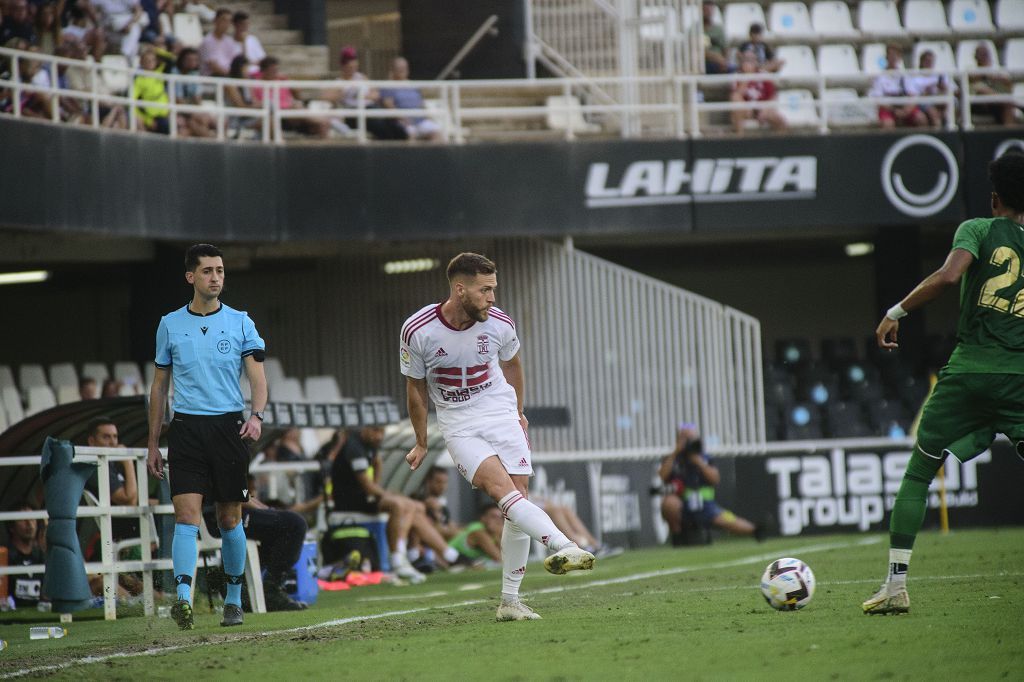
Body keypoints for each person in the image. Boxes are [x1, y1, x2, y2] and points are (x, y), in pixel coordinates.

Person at [863, 151, 1024, 615]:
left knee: (919, 470)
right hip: (1018, 378)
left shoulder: (977, 229)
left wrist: (896, 312)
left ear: (995, 197)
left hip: (969, 372)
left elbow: (950, 275)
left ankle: (895, 588)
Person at [401, 252, 595, 622]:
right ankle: (563, 544)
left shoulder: (500, 324)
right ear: (460, 289)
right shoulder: (418, 329)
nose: (492, 297)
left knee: (517, 498)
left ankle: (510, 601)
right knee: (500, 492)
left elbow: (513, 365)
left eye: (494, 289)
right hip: (458, 422)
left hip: (500, 410)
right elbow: (415, 389)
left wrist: (518, 413)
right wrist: (422, 440)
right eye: (484, 290)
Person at [147, 243, 269, 630]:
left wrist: (257, 415)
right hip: (185, 429)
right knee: (186, 516)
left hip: (227, 428)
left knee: (229, 518)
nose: (215, 277)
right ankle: (182, 601)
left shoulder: (240, 321)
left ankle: (233, 599)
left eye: (219, 271)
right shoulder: (169, 323)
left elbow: (257, 377)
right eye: (207, 271)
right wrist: (153, 442)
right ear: (190, 277)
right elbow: (159, 387)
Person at [330, 426, 462, 582]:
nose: (379, 436)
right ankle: (398, 558)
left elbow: (376, 467)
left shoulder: (370, 446)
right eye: (375, 431)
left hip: (365, 498)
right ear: (365, 428)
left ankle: (423, 555)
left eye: (382, 432)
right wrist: (387, 494)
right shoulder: (354, 447)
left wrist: (380, 481)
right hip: (349, 502)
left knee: (416, 506)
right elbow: (367, 486)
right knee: (399, 505)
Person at [658, 424, 764, 545]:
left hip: (705, 504)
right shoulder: (673, 459)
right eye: (685, 439)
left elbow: (715, 479)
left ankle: (755, 530)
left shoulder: (704, 458)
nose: (689, 442)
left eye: (691, 439)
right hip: (682, 503)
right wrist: (675, 452)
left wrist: (699, 462)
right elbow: (662, 475)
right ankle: (677, 537)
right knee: (669, 503)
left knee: (727, 520)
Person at [202, 491, 308, 612]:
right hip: (219, 516)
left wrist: (267, 510)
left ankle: (239, 584)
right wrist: (267, 510)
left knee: (282, 525)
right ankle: (270, 589)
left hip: (223, 512)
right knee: (294, 524)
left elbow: (243, 493)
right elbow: (236, 494)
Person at [330, 45, 406, 140]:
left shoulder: (362, 77)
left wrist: (362, 96)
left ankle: (403, 141)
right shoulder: (338, 82)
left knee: (391, 122)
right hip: (353, 113)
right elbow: (328, 97)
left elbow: (376, 94)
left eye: (354, 62)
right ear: (343, 65)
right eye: (348, 63)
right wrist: (346, 91)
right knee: (378, 124)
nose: (352, 66)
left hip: (370, 108)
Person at [252, 55, 329, 139]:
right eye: (273, 71)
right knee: (296, 110)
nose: (275, 73)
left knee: (322, 124)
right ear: (264, 71)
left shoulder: (282, 81)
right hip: (276, 114)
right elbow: (257, 103)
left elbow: (298, 96)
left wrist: (287, 81)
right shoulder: (256, 85)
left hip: (292, 112)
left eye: (276, 70)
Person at [379, 56, 441, 141]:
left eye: (404, 68)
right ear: (393, 69)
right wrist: (402, 118)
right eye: (399, 68)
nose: (402, 70)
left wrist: (427, 115)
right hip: (402, 122)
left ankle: (434, 154)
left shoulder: (413, 85)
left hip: (420, 120)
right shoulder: (388, 86)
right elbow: (389, 105)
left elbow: (421, 103)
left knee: (436, 132)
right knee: (411, 133)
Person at [869, 44, 927, 129]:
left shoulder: (905, 75)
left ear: (899, 58)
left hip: (904, 107)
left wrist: (906, 110)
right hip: (888, 108)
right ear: (886, 57)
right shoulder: (880, 77)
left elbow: (913, 95)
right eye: (891, 55)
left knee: (921, 118)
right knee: (888, 124)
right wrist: (894, 110)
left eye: (895, 55)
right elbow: (878, 99)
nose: (893, 57)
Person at [730, 50, 786, 135]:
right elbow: (736, 96)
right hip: (746, 109)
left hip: (762, 107)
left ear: (756, 62)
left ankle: (781, 144)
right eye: (746, 60)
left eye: (751, 60)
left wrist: (765, 109)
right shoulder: (737, 76)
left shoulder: (763, 74)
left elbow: (773, 96)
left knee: (779, 119)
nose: (748, 63)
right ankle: (739, 139)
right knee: (735, 100)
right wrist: (747, 77)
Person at [4, 501, 45, 609]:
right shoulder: (5, 557)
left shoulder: (42, 556)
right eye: (23, 520)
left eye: (32, 519)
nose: (30, 524)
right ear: (11, 527)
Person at [172, 47, 216, 138]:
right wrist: (193, 114)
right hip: (177, 111)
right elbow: (178, 100)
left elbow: (198, 99)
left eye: (195, 60)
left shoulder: (194, 74)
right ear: (182, 60)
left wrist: (197, 113)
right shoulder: (174, 73)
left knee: (210, 121)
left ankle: (212, 139)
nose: (192, 62)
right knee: (192, 125)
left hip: (190, 111)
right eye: (189, 60)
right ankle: (212, 140)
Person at [968, 44, 1014, 127]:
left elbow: (1009, 86)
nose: (985, 57)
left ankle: (1009, 131)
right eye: (982, 54)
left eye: (986, 54)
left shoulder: (996, 72)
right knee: (982, 89)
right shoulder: (971, 71)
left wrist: (997, 78)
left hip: (994, 104)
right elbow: (972, 81)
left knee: (1008, 106)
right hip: (977, 104)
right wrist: (986, 74)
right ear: (976, 57)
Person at [903, 50, 948, 128]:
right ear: (921, 61)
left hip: (940, 101)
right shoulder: (914, 77)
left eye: (931, 61)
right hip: (923, 102)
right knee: (933, 114)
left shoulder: (940, 75)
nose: (929, 63)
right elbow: (913, 96)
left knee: (949, 109)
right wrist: (926, 92)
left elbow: (954, 91)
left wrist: (943, 89)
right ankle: (938, 133)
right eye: (927, 61)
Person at [132, 47, 170, 134]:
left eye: (153, 60)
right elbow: (132, 102)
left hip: (166, 115)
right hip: (152, 117)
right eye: (147, 60)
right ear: (141, 62)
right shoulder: (139, 80)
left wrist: (155, 49)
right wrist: (148, 120)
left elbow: (170, 60)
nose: (150, 63)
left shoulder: (160, 72)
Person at [198, 8, 239, 76]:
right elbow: (213, 66)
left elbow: (235, 61)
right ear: (215, 21)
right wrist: (231, 74)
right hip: (212, 77)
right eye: (224, 20)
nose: (226, 24)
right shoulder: (207, 41)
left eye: (229, 21)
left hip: (228, 75)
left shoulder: (230, 41)